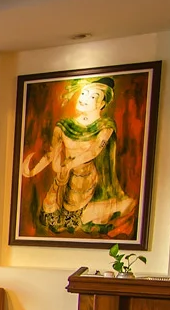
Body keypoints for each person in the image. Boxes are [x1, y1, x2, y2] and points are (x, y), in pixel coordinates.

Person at [20, 76, 135, 233]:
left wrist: (70, 164)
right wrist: (33, 170)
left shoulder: (105, 127)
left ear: (102, 104)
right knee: (51, 218)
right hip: (63, 178)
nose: (84, 98)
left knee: (78, 220)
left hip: (85, 179)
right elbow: (52, 153)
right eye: (84, 93)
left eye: (92, 96)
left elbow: (93, 151)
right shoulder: (64, 125)